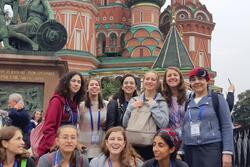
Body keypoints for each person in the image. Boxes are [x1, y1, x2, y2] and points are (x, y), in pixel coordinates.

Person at [182, 67, 233, 167]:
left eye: (200, 79)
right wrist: (180, 150)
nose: (197, 82)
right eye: (193, 80)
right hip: (190, 148)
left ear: (207, 81)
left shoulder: (217, 99)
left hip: (211, 148)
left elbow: (227, 126)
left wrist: (227, 152)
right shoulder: (188, 102)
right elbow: (185, 128)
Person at [123, 71, 169, 160]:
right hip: (133, 144)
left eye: (153, 79)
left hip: (152, 146)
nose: (150, 81)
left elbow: (163, 124)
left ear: (157, 83)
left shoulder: (161, 102)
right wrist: (130, 108)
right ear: (143, 82)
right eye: (147, 79)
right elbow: (125, 124)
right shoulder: (134, 100)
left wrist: (154, 107)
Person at [37, 71, 85, 158]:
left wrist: (76, 143)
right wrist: (55, 145)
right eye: (73, 81)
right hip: (54, 149)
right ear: (67, 82)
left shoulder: (76, 103)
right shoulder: (57, 101)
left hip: (69, 147)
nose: (76, 84)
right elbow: (48, 127)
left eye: (79, 82)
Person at [79, 78, 108, 159]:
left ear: (100, 89)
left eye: (97, 85)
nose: (94, 86)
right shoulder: (81, 106)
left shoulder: (107, 105)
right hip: (84, 147)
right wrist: (77, 143)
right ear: (87, 89)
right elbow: (75, 125)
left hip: (101, 148)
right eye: (91, 85)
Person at [162, 66, 187, 137]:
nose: (172, 77)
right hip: (170, 138)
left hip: (187, 137)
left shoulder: (188, 96)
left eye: (175, 75)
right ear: (165, 80)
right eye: (169, 76)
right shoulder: (162, 98)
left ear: (180, 78)